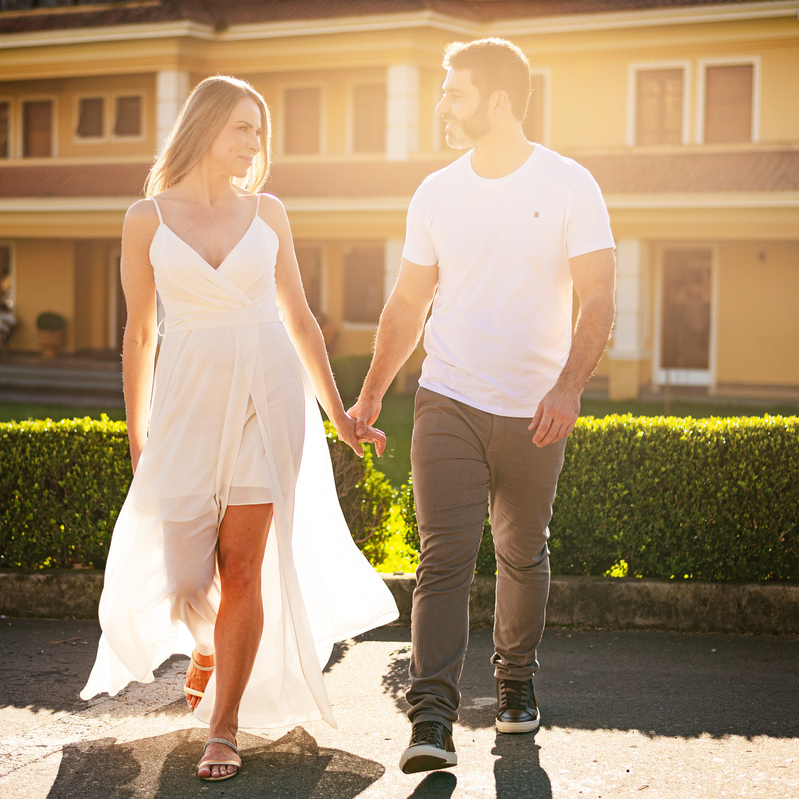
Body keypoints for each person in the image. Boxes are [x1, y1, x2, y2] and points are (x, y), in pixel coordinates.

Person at [80, 76, 399, 782]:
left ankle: (222, 724)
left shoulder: (268, 213)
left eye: (260, 131)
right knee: (187, 577)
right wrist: (138, 434)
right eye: (242, 128)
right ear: (204, 128)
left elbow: (300, 320)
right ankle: (206, 643)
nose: (255, 143)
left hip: (269, 394)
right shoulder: (146, 219)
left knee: (243, 563)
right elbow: (140, 333)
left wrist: (340, 416)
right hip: (187, 399)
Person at [347, 38, 616, 774]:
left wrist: (568, 386)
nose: (442, 105)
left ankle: (515, 678)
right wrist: (371, 393)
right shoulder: (436, 192)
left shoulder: (569, 185)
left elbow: (598, 298)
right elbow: (408, 303)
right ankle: (431, 713)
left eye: (454, 93)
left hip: (536, 409)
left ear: (498, 101)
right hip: (449, 398)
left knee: (522, 551)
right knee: (444, 556)